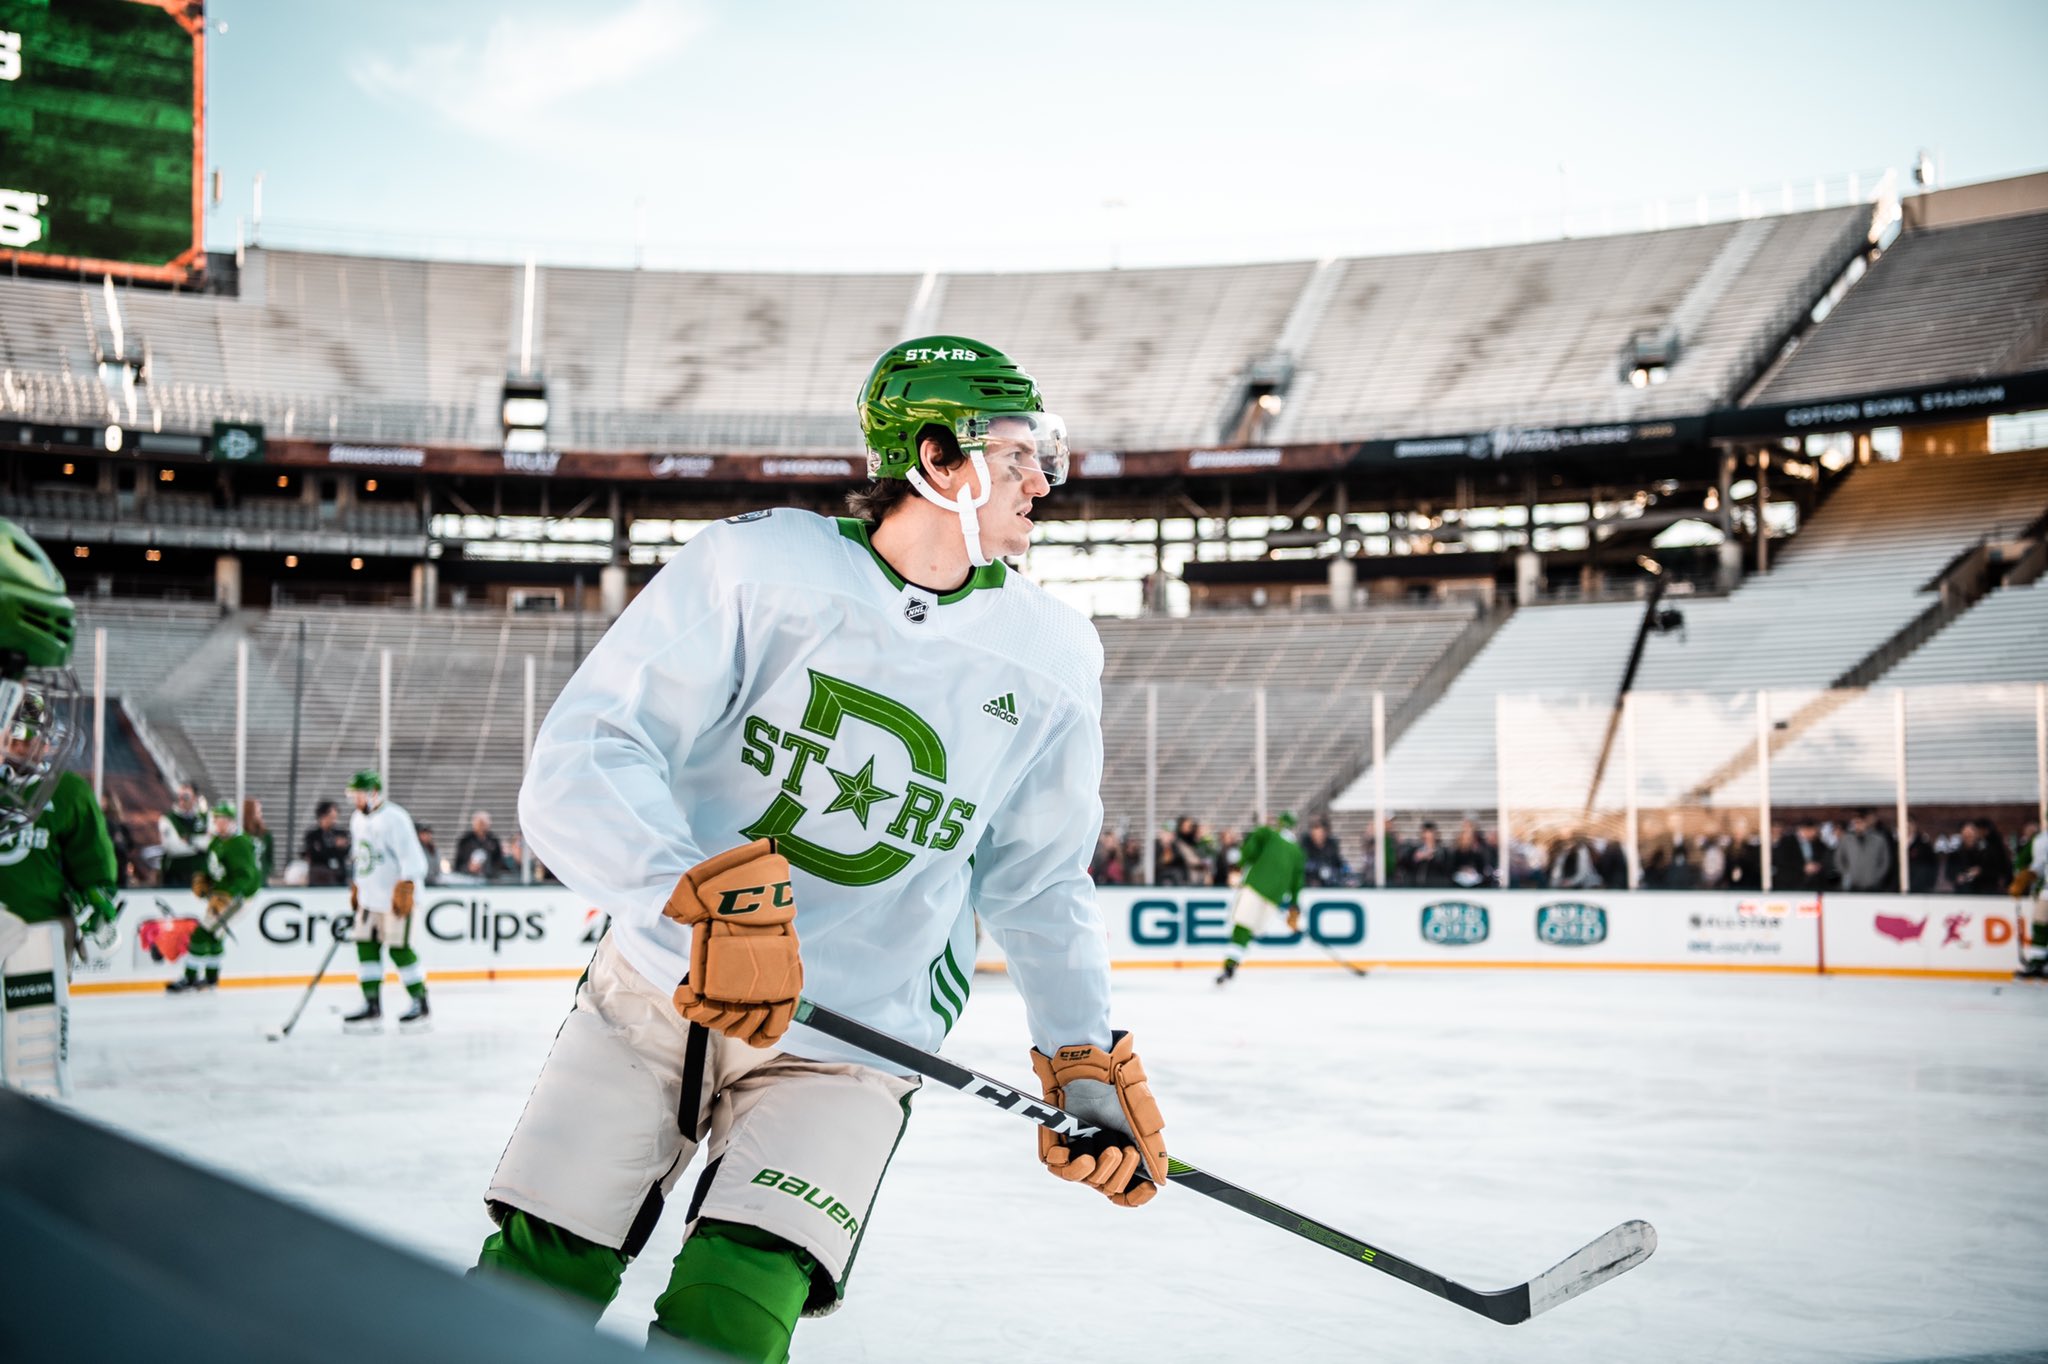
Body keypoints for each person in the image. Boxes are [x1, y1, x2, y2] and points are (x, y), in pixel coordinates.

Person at [470, 337, 1167, 1362]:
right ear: (938, 459)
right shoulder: (757, 564)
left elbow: (1038, 875)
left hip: (853, 1043)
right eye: (1017, 452)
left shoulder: (1054, 654)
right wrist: (698, 893)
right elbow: (585, 754)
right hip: (660, 990)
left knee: (730, 1317)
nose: (1042, 480)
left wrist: (1080, 1049)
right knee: (534, 1284)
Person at [0, 520, 120, 1096]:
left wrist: (97, 904)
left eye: (29, 735)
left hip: (37, 934)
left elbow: (95, 871)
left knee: (34, 1066)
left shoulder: (66, 794)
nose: (21, 744)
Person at [342, 771, 431, 1030]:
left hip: (394, 900)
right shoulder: (357, 819)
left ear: (373, 793)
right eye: (353, 795)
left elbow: (413, 858)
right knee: (365, 948)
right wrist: (358, 885)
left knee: (398, 949)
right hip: (370, 899)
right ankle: (372, 1005)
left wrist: (406, 886)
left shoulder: (395, 818)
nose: (355, 800)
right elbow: (361, 857)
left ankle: (420, 1003)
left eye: (358, 794)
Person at [168, 801, 262, 993]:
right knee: (214, 935)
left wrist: (228, 895)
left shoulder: (240, 843)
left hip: (236, 899)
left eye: (223, 820)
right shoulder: (218, 841)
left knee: (202, 933)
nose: (219, 824)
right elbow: (210, 865)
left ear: (231, 821)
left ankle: (190, 977)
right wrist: (203, 879)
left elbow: (247, 876)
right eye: (216, 819)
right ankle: (211, 979)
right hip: (222, 895)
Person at [1217, 811, 1307, 984]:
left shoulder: (1269, 834)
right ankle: (1233, 962)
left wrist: (1239, 864)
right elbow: (1297, 882)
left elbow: (1251, 846)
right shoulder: (1298, 853)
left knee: (1242, 927)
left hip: (1255, 888)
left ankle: (1230, 965)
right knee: (1249, 930)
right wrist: (1294, 906)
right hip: (1274, 897)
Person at [157, 782, 209, 890]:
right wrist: (199, 847)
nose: (181, 800)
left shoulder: (206, 818)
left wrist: (190, 840)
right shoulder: (167, 819)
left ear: (195, 798)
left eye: (186, 797)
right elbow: (173, 848)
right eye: (179, 796)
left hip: (201, 876)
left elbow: (211, 843)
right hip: (176, 876)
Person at [2014, 832, 2048, 979]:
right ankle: (2037, 963)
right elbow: (2025, 863)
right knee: (2040, 925)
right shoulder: (2041, 840)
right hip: (2046, 890)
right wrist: (2025, 876)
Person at [1833, 810, 1892, 893]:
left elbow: (1885, 861)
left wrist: (1876, 877)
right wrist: (1847, 874)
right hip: (1852, 885)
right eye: (1855, 823)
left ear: (1866, 823)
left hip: (1873, 885)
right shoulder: (1846, 839)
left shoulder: (1878, 839)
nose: (1858, 825)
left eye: (1860, 822)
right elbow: (1839, 859)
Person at [1773, 817, 1832, 892]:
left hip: (1814, 885)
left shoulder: (1819, 844)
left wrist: (1818, 866)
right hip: (1791, 884)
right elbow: (1782, 861)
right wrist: (1802, 867)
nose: (1815, 833)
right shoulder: (1786, 842)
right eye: (1813, 830)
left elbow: (1825, 858)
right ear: (1804, 829)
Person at [301, 800, 350, 886]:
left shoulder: (341, 834)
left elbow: (346, 852)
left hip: (339, 878)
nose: (334, 821)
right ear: (322, 816)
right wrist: (334, 846)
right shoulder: (312, 836)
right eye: (331, 817)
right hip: (319, 878)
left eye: (335, 817)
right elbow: (314, 855)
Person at [454, 810, 508, 881]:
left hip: (489, 880)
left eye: (483, 823)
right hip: (467, 880)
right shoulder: (465, 841)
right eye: (479, 823)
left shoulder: (494, 841)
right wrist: (469, 867)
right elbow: (458, 864)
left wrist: (489, 870)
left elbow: (499, 863)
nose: (481, 826)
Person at [1301, 817, 1344, 887]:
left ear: (1325, 833)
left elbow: (1338, 864)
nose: (1317, 837)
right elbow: (1304, 864)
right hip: (1309, 883)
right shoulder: (1305, 844)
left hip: (1329, 883)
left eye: (1320, 834)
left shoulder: (1332, 845)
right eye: (1314, 834)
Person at [242, 797, 275, 885]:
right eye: (257, 811)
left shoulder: (265, 834)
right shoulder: (240, 834)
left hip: (261, 880)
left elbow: (269, 858)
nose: (260, 814)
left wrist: (266, 872)